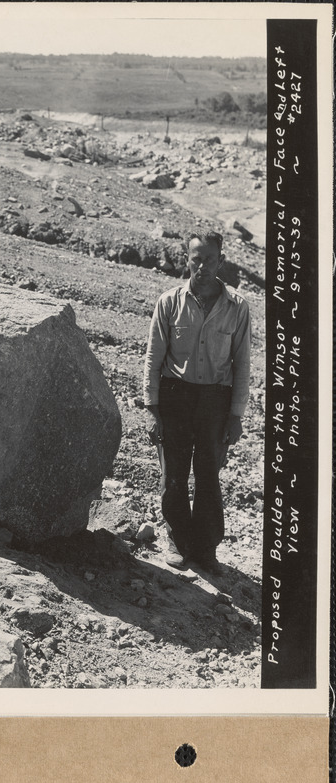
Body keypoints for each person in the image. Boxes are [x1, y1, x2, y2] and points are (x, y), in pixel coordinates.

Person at [143, 230, 251, 576]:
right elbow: (152, 359)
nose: (202, 266)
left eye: (209, 259)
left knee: (208, 477)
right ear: (186, 260)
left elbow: (243, 364)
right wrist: (152, 409)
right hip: (175, 398)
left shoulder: (238, 307)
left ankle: (205, 551)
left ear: (221, 261)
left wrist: (235, 416)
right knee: (173, 475)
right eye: (196, 259)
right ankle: (177, 542)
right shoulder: (169, 302)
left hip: (214, 403)